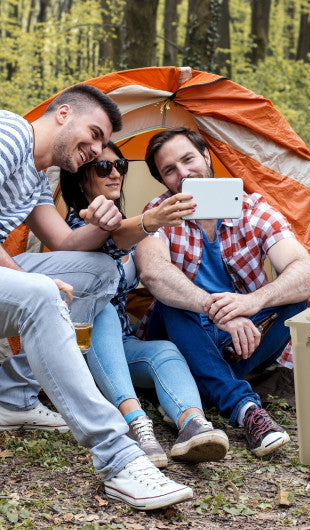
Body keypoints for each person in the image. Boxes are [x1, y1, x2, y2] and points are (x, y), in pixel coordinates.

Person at [0, 85, 192, 510]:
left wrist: (107, 220)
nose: (96, 150)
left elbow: (67, 243)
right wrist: (27, 281)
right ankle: (118, 457)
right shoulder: (10, 133)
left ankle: (12, 399)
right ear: (63, 114)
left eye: (104, 144)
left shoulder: (33, 177)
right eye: (92, 134)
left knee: (99, 271)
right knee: (40, 297)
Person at [134, 127, 310, 457]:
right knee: (171, 300)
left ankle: (201, 389)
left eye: (188, 159)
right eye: (170, 170)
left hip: (237, 338)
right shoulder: (160, 212)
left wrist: (250, 303)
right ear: (164, 182)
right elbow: (152, 272)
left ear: (206, 157)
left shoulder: (252, 209)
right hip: (183, 330)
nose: (183, 173)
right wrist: (212, 307)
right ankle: (247, 411)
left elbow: (306, 272)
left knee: (296, 301)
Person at [59, 141, 229, 466]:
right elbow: (108, 240)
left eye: (120, 166)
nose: (116, 174)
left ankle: (192, 424)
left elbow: (127, 239)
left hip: (119, 344)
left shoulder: (124, 223)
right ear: (81, 179)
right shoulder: (73, 230)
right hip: (79, 346)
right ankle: (136, 423)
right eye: (103, 167)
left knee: (164, 351)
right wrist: (152, 219)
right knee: (102, 308)